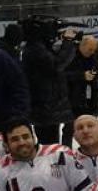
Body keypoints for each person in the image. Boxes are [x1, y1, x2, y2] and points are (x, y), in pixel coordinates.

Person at [21, 18, 75, 149]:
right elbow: (57, 64)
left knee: (51, 143)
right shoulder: (36, 49)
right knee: (49, 146)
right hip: (45, 107)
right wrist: (67, 42)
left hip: (47, 106)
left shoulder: (39, 47)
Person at [63, 35, 98, 145]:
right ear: (82, 45)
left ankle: (90, 155)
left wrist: (97, 76)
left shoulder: (94, 57)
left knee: (90, 131)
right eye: (90, 49)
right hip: (72, 100)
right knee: (69, 129)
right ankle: (66, 155)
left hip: (90, 100)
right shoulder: (70, 56)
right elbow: (62, 75)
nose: (92, 52)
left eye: (94, 49)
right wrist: (81, 76)